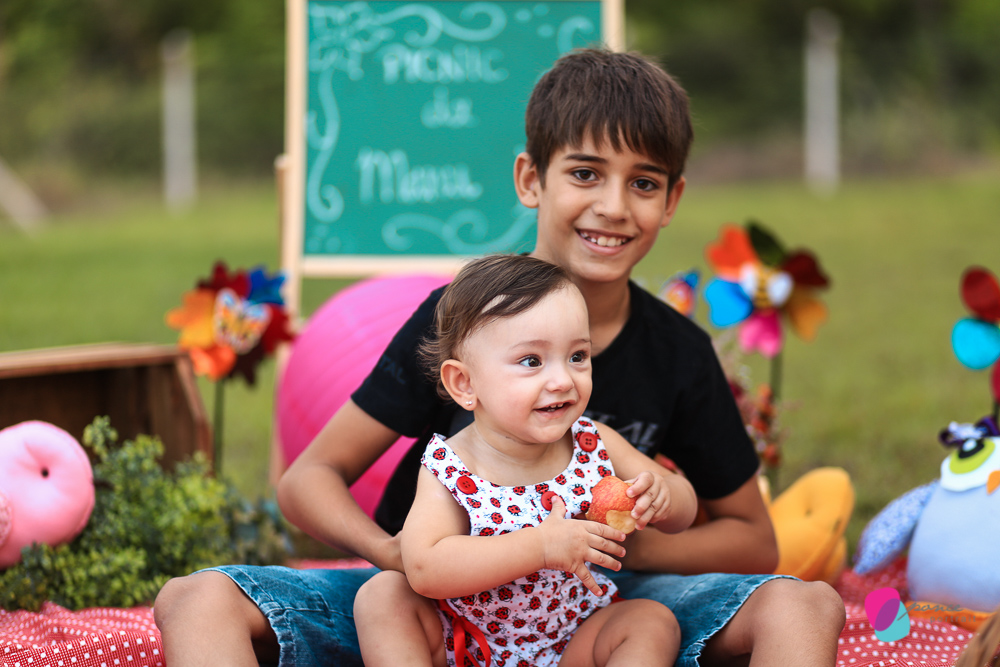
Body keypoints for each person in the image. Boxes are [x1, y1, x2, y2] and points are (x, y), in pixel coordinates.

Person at [154, 47, 846, 666]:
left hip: (595, 608)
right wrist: (399, 554)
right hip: (432, 611)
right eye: (584, 172)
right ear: (530, 178)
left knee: (806, 605)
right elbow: (309, 479)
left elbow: (752, 539)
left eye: (643, 182)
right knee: (196, 599)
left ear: (672, 200)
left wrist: (624, 543)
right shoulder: (457, 321)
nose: (612, 205)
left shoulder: (678, 353)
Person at [354, 254, 698, 667]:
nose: (562, 380)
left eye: (577, 357)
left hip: (575, 636)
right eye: (531, 361)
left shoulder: (592, 441)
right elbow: (425, 567)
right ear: (465, 383)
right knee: (383, 595)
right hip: (468, 641)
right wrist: (540, 546)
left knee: (650, 620)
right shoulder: (451, 467)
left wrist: (665, 496)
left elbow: (685, 512)